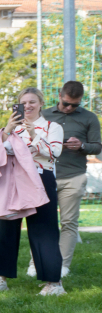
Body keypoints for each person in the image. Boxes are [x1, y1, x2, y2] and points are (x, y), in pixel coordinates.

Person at [0, 88, 65, 296]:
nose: (27, 106)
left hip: (40, 178)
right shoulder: (13, 130)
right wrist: (6, 130)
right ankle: (0, 278)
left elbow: (54, 153)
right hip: (13, 180)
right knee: (7, 228)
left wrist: (34, 134)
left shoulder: (51, 127)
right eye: (23, 103)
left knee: (44, 230)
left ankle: (53, 283)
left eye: (32, 102)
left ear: (41, 103)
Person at [39, 81, 100, 277]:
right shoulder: (44, 115)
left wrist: (81, 145)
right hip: (45, 174)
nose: (69, 108)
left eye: (75, 105)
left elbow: (97, 147)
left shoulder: (89, 117)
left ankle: (62, 267)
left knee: (69, 223)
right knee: (41, 222)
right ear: (59, 95)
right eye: (66, 103)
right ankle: (36, 263)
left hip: (74, 176)